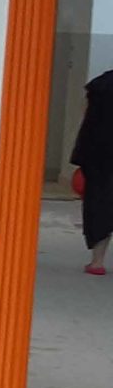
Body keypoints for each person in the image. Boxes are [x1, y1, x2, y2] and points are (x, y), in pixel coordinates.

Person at [72, 68, 113, 275]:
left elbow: (86, 118)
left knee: (99, 206)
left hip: (100, 155)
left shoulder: (100, 85)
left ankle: (97, 262)